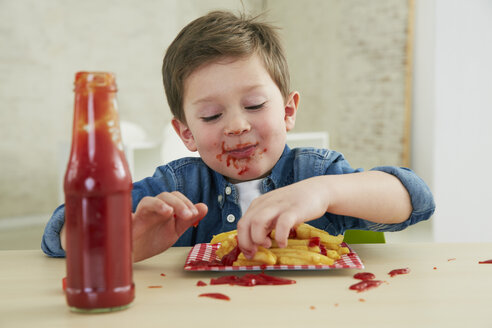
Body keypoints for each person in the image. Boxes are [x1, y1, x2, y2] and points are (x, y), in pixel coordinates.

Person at [42, 10, 435, 262]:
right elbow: (61, 230)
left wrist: (323, 193)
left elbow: (415, 199)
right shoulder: (178, 186)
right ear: (186, 134)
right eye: (212, 115)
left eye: (253, 105)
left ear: (288, 111)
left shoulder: (316, 172)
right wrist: (119, 242)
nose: (236, 126)